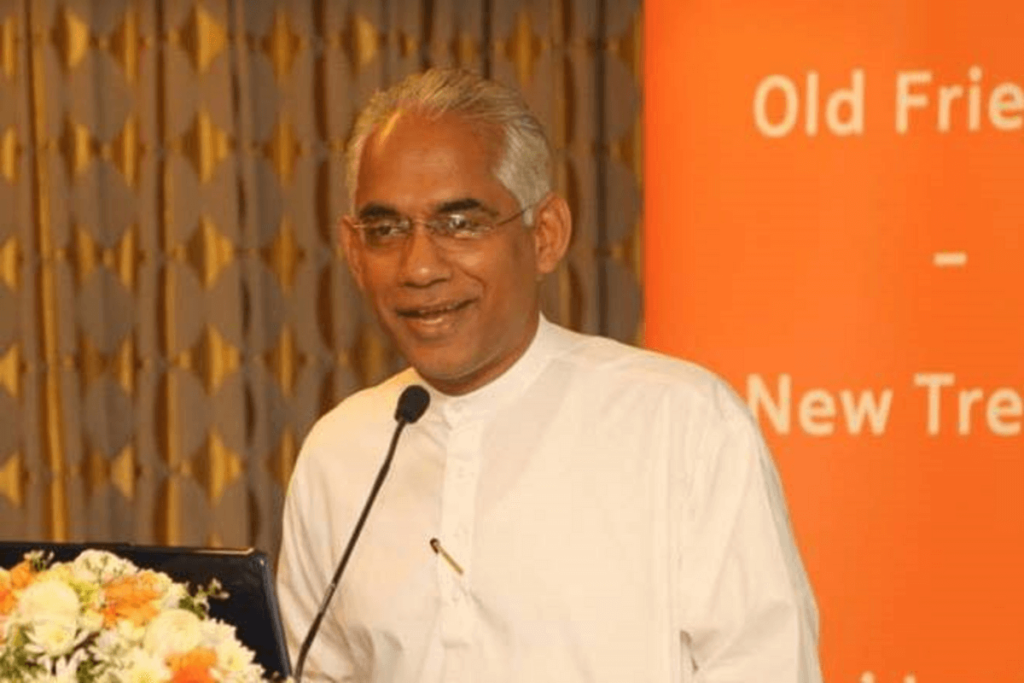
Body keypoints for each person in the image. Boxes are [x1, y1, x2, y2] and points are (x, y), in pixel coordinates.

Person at [276, 67, 822, 683]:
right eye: (386, 230)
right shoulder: (338, 452)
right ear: (354, 253)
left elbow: (769, 666)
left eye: (460, 224)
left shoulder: (683, 422)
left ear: (546, 235)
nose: (420, 267)